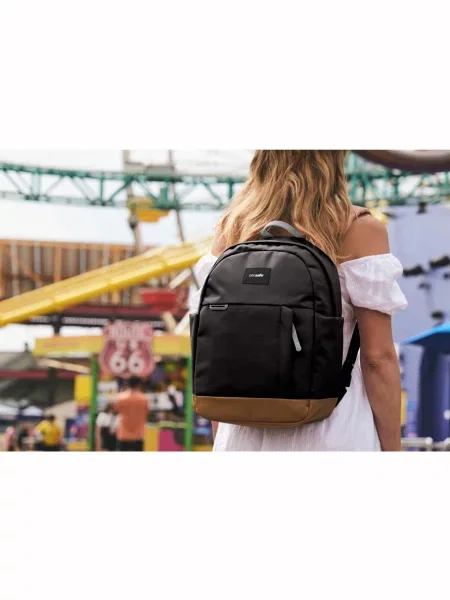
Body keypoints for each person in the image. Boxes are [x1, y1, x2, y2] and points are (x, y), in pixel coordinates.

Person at [189, 150, 408, 452]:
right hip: (333, 432)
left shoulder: (232, 228)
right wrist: (393, 450)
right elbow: (377, 358)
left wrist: (224, 432)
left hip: (241, 437)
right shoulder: (356, 228)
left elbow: (218, 347)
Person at [114, 376, 149, 451]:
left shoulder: (121, 398)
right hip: (139, 435)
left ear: (127, 384)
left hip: (123, 434)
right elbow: (147, 412)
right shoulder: (144, 399)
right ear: (139, 384)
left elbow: (116, 410)